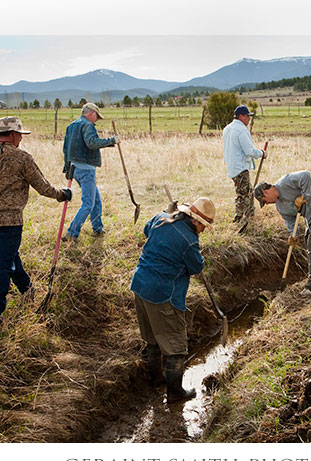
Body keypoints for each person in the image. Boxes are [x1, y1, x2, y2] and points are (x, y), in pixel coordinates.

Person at [0, 116, 72, 330]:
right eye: (20, 135)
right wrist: (62, 194)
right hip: (10, 221)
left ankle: (27, 289)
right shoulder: (22, 158)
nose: (21, 139)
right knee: (4, 265)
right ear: (14, 135)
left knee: (8, 255)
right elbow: (42, 186)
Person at [130, 197, 217, 403]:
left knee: (152, 339)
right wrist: (199, 256)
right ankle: (175, 392)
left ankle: (156, 379)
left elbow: (146, 230)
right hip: (163, 295)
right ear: (195, 221)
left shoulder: (160, 218)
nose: (203, 230)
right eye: (203, 225)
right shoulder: (189, 241)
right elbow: (196, 267)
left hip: (141, 285)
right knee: (176, 346)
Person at [254, 171, 311, 297]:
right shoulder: (280, 206)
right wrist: (294, 235)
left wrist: (305, 196)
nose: (266, 204)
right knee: (310, 241)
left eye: (264, 201)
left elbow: (306, 175)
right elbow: (290, 220)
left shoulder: (285, 182)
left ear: (266, 192)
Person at [62, 102, 121, 241]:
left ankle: (98, 229)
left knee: (96, 200)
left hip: (75, 168)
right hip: (86, 169)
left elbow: (65, 148)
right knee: (88, 203)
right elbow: (92, 143)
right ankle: (71, 233)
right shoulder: (87, 125)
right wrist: (112, 140)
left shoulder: (71, 126)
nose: (97, 120)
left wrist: (67, 167)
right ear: (91, 113)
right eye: (97, 116)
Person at [222, 105, 266, 225]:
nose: (249, 119)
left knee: (247, 191)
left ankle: (250, 217)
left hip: (232, 166)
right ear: (241, 116)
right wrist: (261, 153)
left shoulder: (227, 128)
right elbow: (249, 151)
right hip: (240, 167)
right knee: (243, 194)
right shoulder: (241, 130)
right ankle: (240, 219)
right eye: (247, 116)